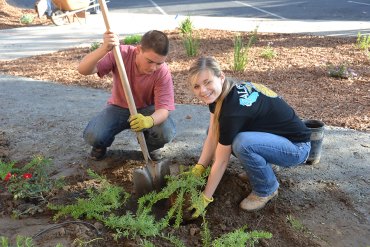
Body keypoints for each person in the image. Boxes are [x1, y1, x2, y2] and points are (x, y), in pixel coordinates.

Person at [187, 56, 311, 217]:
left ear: (221, 77)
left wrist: (205, 197)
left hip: (296, 148)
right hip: (276, 139)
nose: (202, 90)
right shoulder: (222, 92)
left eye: (207, 82)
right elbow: (212, 134)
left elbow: (222, 160)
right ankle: (263, 167)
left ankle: (266, 189)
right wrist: (200, 167)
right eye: (196, 86)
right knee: (218, 131)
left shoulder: (233, 111)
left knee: (242, 143)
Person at [78, 30, 176, 161]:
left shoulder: (162, 72)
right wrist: (104, 49)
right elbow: (83, 70)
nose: (154, 68)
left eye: (159, 63)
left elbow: (164, 110)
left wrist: (149, 121)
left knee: (166, 132)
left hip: (147, 110)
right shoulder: (120, 55)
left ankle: (150, 147)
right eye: (150, 61)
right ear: (138, 50)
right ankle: (100, 146)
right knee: (93, 135)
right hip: (118, 108)